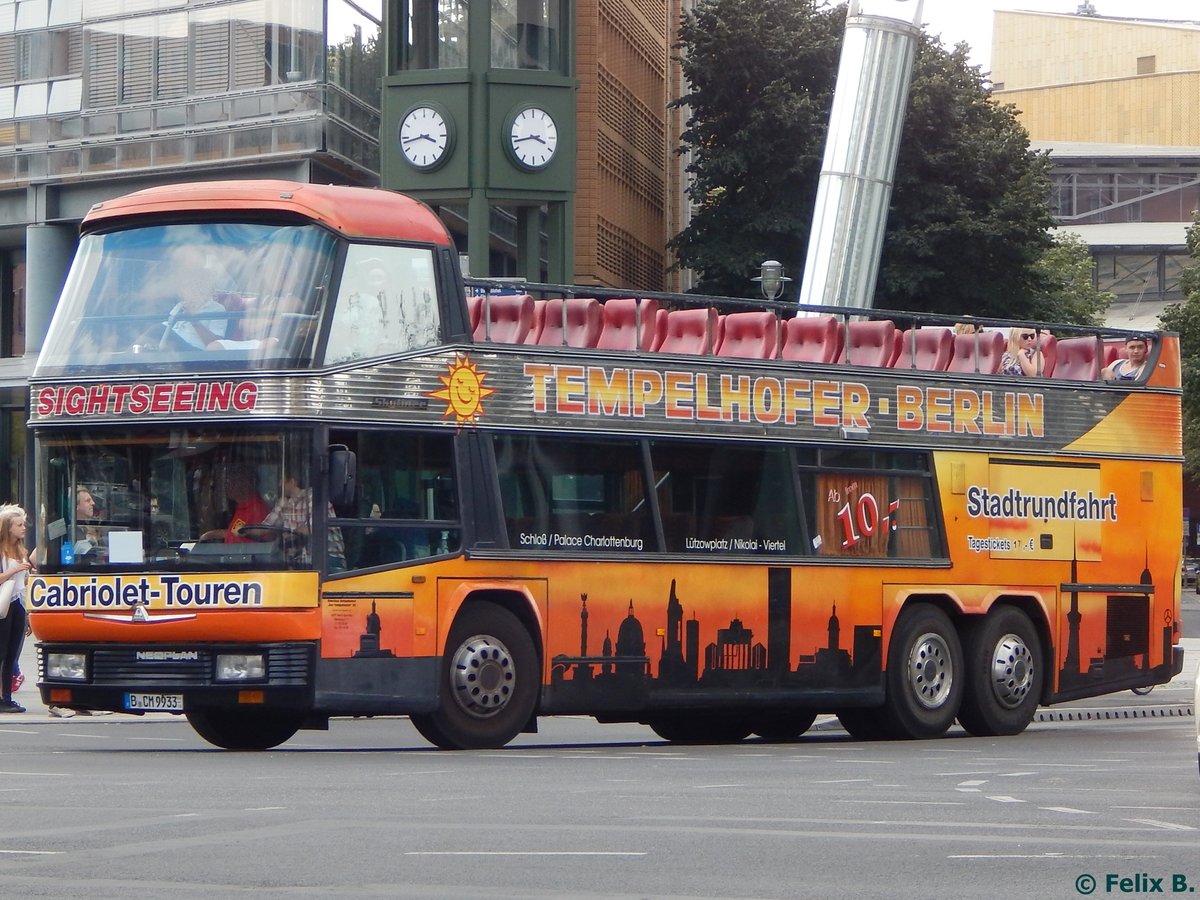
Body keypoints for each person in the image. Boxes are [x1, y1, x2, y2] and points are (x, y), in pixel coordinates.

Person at [263, 473, 347, 570]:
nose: (279, 484)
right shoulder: (283, 502)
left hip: (328, 560)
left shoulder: (315, 498)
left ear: (292, 482)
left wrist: (289, 532)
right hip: (299, 560)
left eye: (282, 481)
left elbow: (313, 529)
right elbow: (265, 527)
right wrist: (244, 530)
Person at [0, 504, 33, 713]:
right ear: (8, 528)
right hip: (4, 603)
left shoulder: (22, 550)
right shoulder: (2, 552)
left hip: (18, 603)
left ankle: (8, 697)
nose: (23, 528)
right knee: (2, 652)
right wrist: (15, 569)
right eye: (19, 525)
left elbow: (25, 584)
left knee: (13, 653)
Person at [201, 466, 270, 543]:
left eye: (233, 481)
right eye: (227, 482)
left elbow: (260, 544)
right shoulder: (242, 506)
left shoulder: (258, 510)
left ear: (246, 483)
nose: (227, 486)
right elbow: (236, 532)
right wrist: (212, 534)